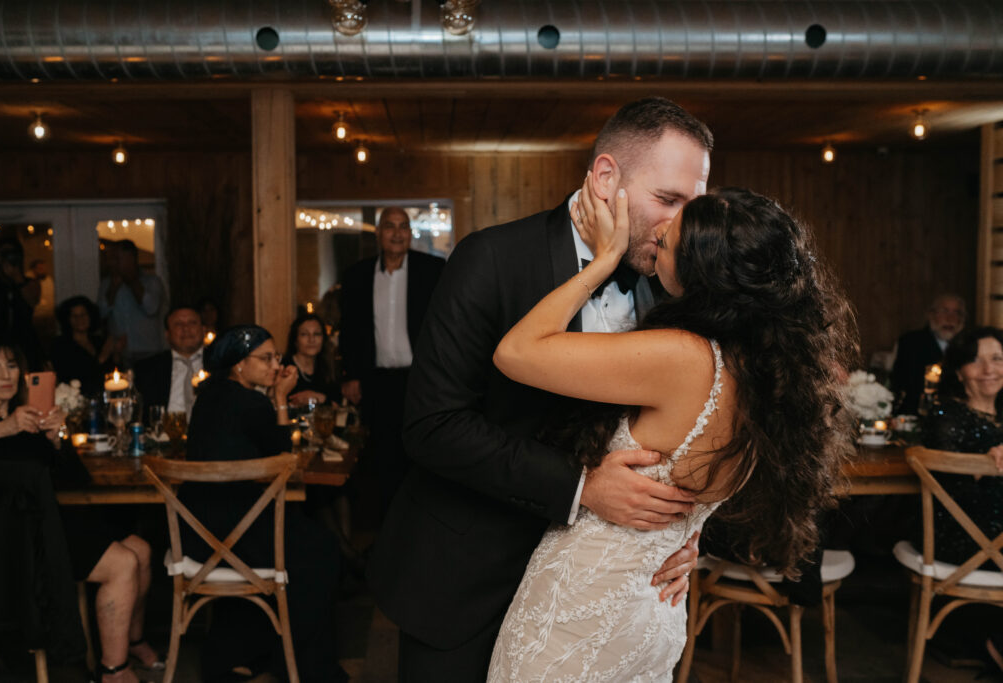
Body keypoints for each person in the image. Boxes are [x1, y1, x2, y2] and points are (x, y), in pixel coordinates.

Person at [369, 97, 713, 681]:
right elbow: (433, 425)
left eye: (693, 206)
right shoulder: (493, 259)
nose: (680, 225)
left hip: (590, 593)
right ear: (606, 178)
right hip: (468, 576)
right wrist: (581, 487)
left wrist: (681, 538)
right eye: (669, 200)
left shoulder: (673, 283)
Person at [486, 181, 855, 679]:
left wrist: (602, 262)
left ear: (701, 272)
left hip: (580, 612)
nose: (659, 229)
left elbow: (515, 353)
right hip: (655, 609)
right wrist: (689, 539)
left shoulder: (683, 357)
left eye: (669, 237)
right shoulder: (770, 380)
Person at [0, 338, 160, 683]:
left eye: (12, 365)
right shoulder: (1, 420)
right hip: (5, 539)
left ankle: (131, 643)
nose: (6, 375)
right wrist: (4, 428)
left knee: (141, 549)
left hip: (45, 523)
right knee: (122, 562)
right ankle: (113, 671)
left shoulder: (29, 414)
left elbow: (77, 480)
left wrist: (57, 439)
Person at [181, 325, 344, 683]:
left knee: (303, 541)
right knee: (325, 550)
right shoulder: (250, 402)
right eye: (266, 358)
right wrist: (281, 398)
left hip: (199, 531)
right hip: (237, 532)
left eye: (276, 357)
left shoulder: (209, 395)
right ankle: (302, 669)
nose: (276, 365)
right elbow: (284, 458)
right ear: (239, 365)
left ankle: (236, 655)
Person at [339, 207, 445, 518]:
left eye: (403, 227)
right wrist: (350, 375)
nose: (397, 233)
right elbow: (350, 330)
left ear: (410, 233)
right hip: (376, 382)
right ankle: (384, 528)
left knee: (422, 457)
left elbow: (446, 326)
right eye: (390, 226)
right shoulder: (357, 275)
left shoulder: (433, 270)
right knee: (381, 460)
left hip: (421, 381)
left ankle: (421, 527)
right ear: (378, 233)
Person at [919, 326, 1003, 675]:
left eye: (997, 359)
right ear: (958, 371)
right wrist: (987, 462)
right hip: (967, 540)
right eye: (975, 361)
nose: (989, 369)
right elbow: (956, 492)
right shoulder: (949, 417)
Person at [891, 294, 966, 414]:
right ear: (931, 315)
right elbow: (905, 382)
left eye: (956, 313)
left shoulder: (967, 345)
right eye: (944, 311)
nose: (950, 318)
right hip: (917, 412)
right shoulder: (911, 341)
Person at [97, 239, 166, 364]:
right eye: (112, 259)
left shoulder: (152, 282)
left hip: (149, 354)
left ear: (132, 258)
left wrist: (132, 280)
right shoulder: (107, 284)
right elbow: (101, 314)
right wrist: (113, 288)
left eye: (118, 258)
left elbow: (151, 308)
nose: (113, 263)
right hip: (120, 354)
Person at [0, 240, 43, 370]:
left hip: (25, 340)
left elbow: (33, 301)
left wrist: (17, 276)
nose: (8, 258)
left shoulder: (30, 283)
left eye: (12, 254)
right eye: (4, 254)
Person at [134, 305, 205, 418]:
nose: (186, 329)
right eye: (178, 324)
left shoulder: (221, 365)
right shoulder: (147, 368)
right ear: (167, 334)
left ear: (203, 329)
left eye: (192, 323)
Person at [51, 295, 118, 397]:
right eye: (75, 316)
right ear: (68, 319)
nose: (80, 319)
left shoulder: (98, 341)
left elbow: (113, 372)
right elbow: (74, 377)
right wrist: (102, 357)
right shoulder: (61, 345)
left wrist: (116, 353)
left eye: (83, 314)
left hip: (106, 396)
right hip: (79, 400)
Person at [283, 313, 338, 407]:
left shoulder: (329, 367)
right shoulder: (284, 367)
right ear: (295, 340)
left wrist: (317, 397)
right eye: (304, 334)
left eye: (316, 334)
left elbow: (337, 406)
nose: (311, 340)